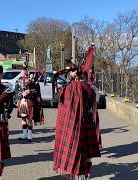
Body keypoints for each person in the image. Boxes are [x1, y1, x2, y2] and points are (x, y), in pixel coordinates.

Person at [53, 45, 101, 179]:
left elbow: (59, 100)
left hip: (73, 126)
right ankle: (85, 176)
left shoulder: (67, 88)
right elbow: (95, 100)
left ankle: (77, 176)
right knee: (86, 154)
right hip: (86, 122)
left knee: (76, 152)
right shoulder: (89, 88)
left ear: (75, 73)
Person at [17, 71, 44, 142]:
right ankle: (24, 134)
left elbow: (37, 91)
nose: (23, 72)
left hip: (30, 101)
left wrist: (29, 91)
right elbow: (16, 89)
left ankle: (29, 136)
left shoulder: (33, 80)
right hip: (22, 101)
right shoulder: (19, 79)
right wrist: (21, 94)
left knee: (29, 118)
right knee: (23, 118)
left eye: (25, 71)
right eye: (23, 71)